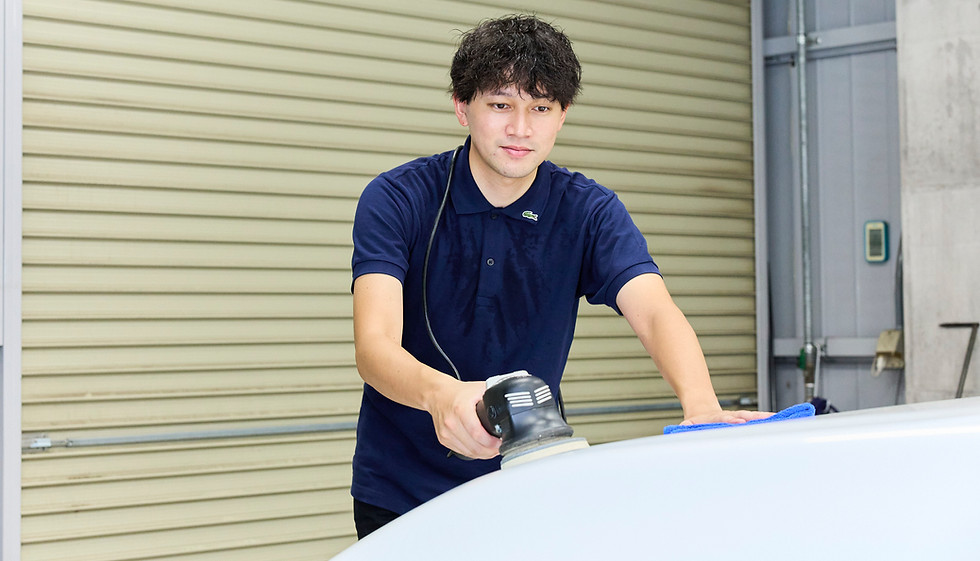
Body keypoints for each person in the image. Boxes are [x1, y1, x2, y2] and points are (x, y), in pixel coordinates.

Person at [349, 14, 770, 538]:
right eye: (500, 105)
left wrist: (701, 406)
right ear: (462, 107)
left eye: (541, 108)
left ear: (562, 116)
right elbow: (374, 346)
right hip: (400, 492)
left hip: (530, 485)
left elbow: (654, 312)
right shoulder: (397, 198)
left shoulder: (588, 210)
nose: (521, 129)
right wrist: (442, 396)